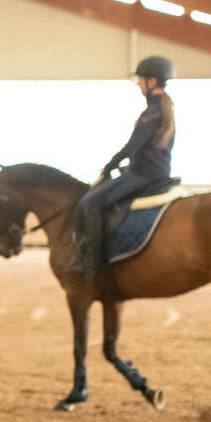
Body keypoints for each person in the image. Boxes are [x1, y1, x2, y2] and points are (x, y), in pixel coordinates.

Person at [70, 55, 177, 277]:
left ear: (152, 81)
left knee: (90, 201)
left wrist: (110, 165)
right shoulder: (162, 108)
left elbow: (133, 146)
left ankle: (92, 263)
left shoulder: (153, 112)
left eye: (140, 80)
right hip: (152, 171)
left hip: (144, 174)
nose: (138, 84)